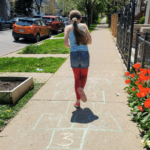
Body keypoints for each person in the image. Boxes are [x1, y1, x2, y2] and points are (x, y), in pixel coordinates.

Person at [64, 10, 92, 108]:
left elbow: (66, 44)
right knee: (83, 76)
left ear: (69, 19)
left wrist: (72, 46)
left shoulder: (67, 28)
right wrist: (83, 43)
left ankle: (78, 102)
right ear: (80, 19)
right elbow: (90, 41)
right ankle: (81, 88)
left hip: (74, 54)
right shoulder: (84, 26)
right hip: (84, 54)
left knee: (77, 78)